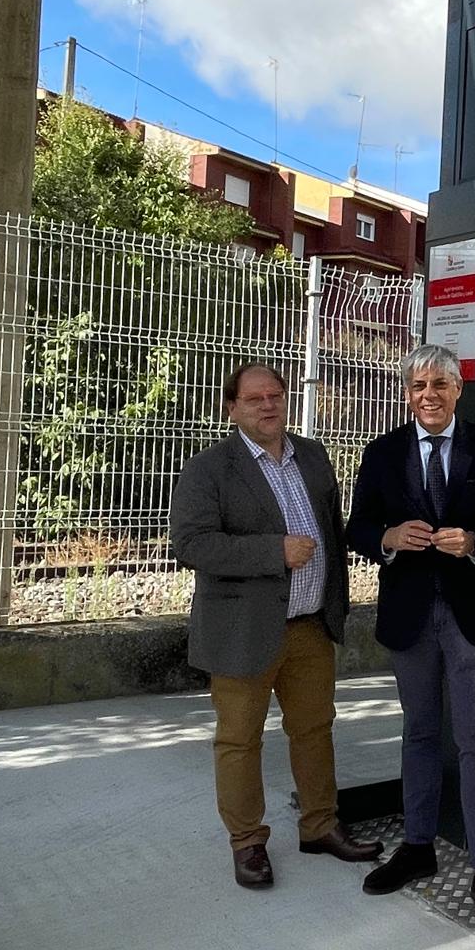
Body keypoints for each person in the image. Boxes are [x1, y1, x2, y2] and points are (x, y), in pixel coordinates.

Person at [170, 362, 381, 890]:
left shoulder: (312, 455)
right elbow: (192, 545)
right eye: (255, 398)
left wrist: (337, 604)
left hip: (309, 627)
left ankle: (320, 826)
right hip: (242, 631)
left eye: (276, 395)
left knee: (314, 730)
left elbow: (331, 531)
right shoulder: (209, 470)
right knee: (239, 741)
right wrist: (274, 552)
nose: (268, 405)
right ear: (232, 407)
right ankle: (247, 843)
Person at [347, 344, 475, 923]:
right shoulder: (382, 453)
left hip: (472, 615)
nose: (429, 395)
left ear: (457, 391)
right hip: (411, 616)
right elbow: (359, 528)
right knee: (419, 733)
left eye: (440, 386)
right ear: (407, 392)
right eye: (419, 386)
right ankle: (418, 846)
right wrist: (389, 539)